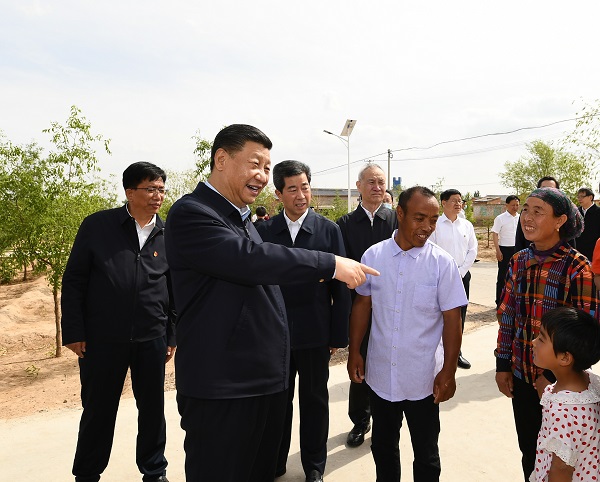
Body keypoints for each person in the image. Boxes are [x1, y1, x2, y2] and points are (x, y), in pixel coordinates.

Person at [164, 124, 378, 482]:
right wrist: (330, 264)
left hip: (258, 382)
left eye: (266, 167)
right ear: (221, 159)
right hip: (222, 387)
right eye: (255, 164)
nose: (262, 175)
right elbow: (251, 259)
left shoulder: (238, 217)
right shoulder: (194, 213)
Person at [61, 162, 176, 482]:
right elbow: (74, 280)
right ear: (129, 192)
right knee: (98, 409)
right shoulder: (98, 226)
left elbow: (173, 288)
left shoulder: (168, 233)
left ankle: (155, 471)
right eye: (150, 189)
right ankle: (87, 473)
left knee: (152, 409)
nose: (158, 196)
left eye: (161, 189)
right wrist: (74, 330)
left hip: (151, 336)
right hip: (102, 338)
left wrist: (171, 334)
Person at [348, 186, 467, 481]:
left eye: (433, 220)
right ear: (400, 213)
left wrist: (449, 371)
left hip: (423, 380)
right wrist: (354, 352)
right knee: (383, 447)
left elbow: (453, 320)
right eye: (419, 218)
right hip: (380, 376)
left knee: (426, 453)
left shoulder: (442, 264)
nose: (427, 227)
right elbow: (362, 305)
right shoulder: (373, 256)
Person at [495, 187, 598, 481]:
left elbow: (586, 333)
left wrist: (551, 377)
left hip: (560, 386)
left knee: (562, 460)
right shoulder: (518, 261)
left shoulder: (577, 267)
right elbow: (508, 316)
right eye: (526, 210)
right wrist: (503, 364)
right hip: (521, 375)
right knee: (531, 450)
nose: (527, 217)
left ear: (560, 221)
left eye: (538, 211)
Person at [255, 160, 350, 482]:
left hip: (314, 333)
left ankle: (314, 466)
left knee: (314, 401)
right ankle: (275, 463)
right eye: (292, 189)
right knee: (276, 404)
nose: (300, 195)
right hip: (273, 337)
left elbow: (341, 287)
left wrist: (338, 335)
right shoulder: (263, 232)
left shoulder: (328, 231)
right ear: (278, 193)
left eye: (305, 187)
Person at [337, 163, 398, 448]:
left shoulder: (397, 219)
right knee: (359, 360)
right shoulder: (345, 224)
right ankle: (360, 420)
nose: (377, 187)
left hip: (393, 305)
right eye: (371, 182)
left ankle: (387, 418)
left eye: (381, 182)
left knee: (390, 360)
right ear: (359, 186)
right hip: (359, 305)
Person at [530, 307, 600, 482]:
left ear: (565, 358)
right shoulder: (591, 382)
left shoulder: (563, 411)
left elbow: (561, 468)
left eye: (541, 339)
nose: (533, 342)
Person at [430, 188, 477, 369]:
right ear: (443, 203)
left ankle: (456, 352)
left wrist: (461, 271)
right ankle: (437, 351)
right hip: (440, 276)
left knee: (459, 315)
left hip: (462, 276)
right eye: (454, 200)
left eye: (460, 201)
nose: (459, 204)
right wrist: (447, 271)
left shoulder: (467, 225)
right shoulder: (435, 224)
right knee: (439, 314)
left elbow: (472, 250)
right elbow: (431, 250)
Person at [515, 177, 560, 252]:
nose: (547, 192)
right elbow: (520, 239)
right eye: (543, 189)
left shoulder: (562, 213)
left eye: (551, 189)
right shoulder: (526, 211)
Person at [492, 194, 520, 307]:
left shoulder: (520, 218)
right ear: (506, 205)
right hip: (504, 249)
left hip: (517, 249)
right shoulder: (500, 218)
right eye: (513, 205)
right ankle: (499, 301)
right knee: (503, 276)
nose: (515, 207)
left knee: (517, 276)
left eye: (517, 205)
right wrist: (498, 250)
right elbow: (495, 234)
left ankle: (513, 302)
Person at [575, 187, 600, 261]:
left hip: (594, 252)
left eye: (582, 196)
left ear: (590, 197)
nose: (579, 199)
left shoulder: (598, 212)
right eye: (578, 197)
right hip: (577, 252)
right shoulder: (576, 212)